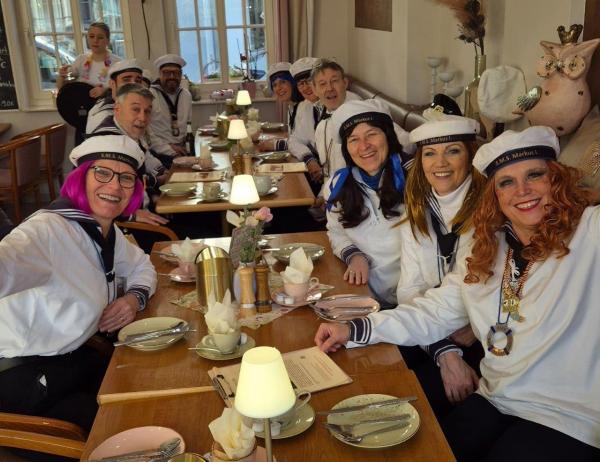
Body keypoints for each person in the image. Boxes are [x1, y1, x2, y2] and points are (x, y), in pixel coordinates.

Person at [315, 126, 600, 461]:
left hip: (570, 416)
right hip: (497, 396)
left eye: (534, 175)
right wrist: (353, 329)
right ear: (494, 195)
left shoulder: (589, 231)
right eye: (506, 182)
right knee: (421, 452)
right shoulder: (488, 250)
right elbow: (433, 311)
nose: (522, 190)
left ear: (556, 180)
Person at [0, 135, 156, 439]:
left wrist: (132, 299)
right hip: (23, 382)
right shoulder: (47, 232)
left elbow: (142, 266)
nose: (114, 186)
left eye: (126, 178)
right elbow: (8, 263)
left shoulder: (103, 230)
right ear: (80, 178)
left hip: (72, 360)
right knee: (126, 430)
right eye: (102, 172)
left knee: (146, 385)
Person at [397, 110, 486, 417]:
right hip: (435, 334)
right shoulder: (416, 213)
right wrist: (444, 352)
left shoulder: (491, 210)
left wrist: (476, 326)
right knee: (382, 372)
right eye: (430, 153)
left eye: (453, 151)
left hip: (482, 337)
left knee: (417, 402)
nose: (440, 163)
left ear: (470, 156)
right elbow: (408, 290)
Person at [324, 99, 411, 306]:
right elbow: (335, 231)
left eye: (371, 134)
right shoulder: (337, 184)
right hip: (362, 293)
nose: (364, 146)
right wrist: (354, 255)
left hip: (413, 300)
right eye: (353, 139)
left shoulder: (415, 178)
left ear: (388, 136)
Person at [91, 83, 169, 227]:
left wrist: (153, 195)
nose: (143, 117)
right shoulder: (109, 146)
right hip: (124, 228)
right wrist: (129, 214)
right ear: (117, 109)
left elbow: (136, 179)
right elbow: (88, 195)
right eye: (135, 109)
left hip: (147, 211)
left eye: (147, 111)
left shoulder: (128, 135)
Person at [148, 54, 193, 168]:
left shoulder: (186, 95)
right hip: (160, 153)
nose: (172, 77)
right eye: (167, 73)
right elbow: (147, 133)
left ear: (181, 75)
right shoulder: (150, 95)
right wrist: (169, 148)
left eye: (176, 73)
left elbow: (188, 126)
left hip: (183, 150)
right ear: (160, 74)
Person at [57, 22, 121, 99]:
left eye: (100, 37)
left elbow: (124, 91)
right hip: (82, 104)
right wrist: (62, 76)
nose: (95, 40)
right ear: (88, 39)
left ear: (108, 40)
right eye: (91, 36)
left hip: (107, 104)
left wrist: (106, 91)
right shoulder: (81, 60)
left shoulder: (117, 63)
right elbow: (62, 89)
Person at [288, 57, 325, 187]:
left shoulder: (338, 106)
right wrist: (309, 159)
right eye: (300, 84)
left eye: (308, 81)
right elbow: (295, 139)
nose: (305, 87)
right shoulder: (307, 106)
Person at [86, 59, 144, 134]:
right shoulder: (105, 117)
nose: (133, 84)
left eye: (138, 81)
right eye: (126, 80)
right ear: (112, 84)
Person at [258, 62, 303, 152]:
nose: (278, 88)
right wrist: (270, 138)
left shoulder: (305, 107)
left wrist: (275, 145)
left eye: (283, 82)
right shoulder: (292, 107)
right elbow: (293, 137)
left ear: (293, 83)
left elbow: (305, 144)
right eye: (274, 85)